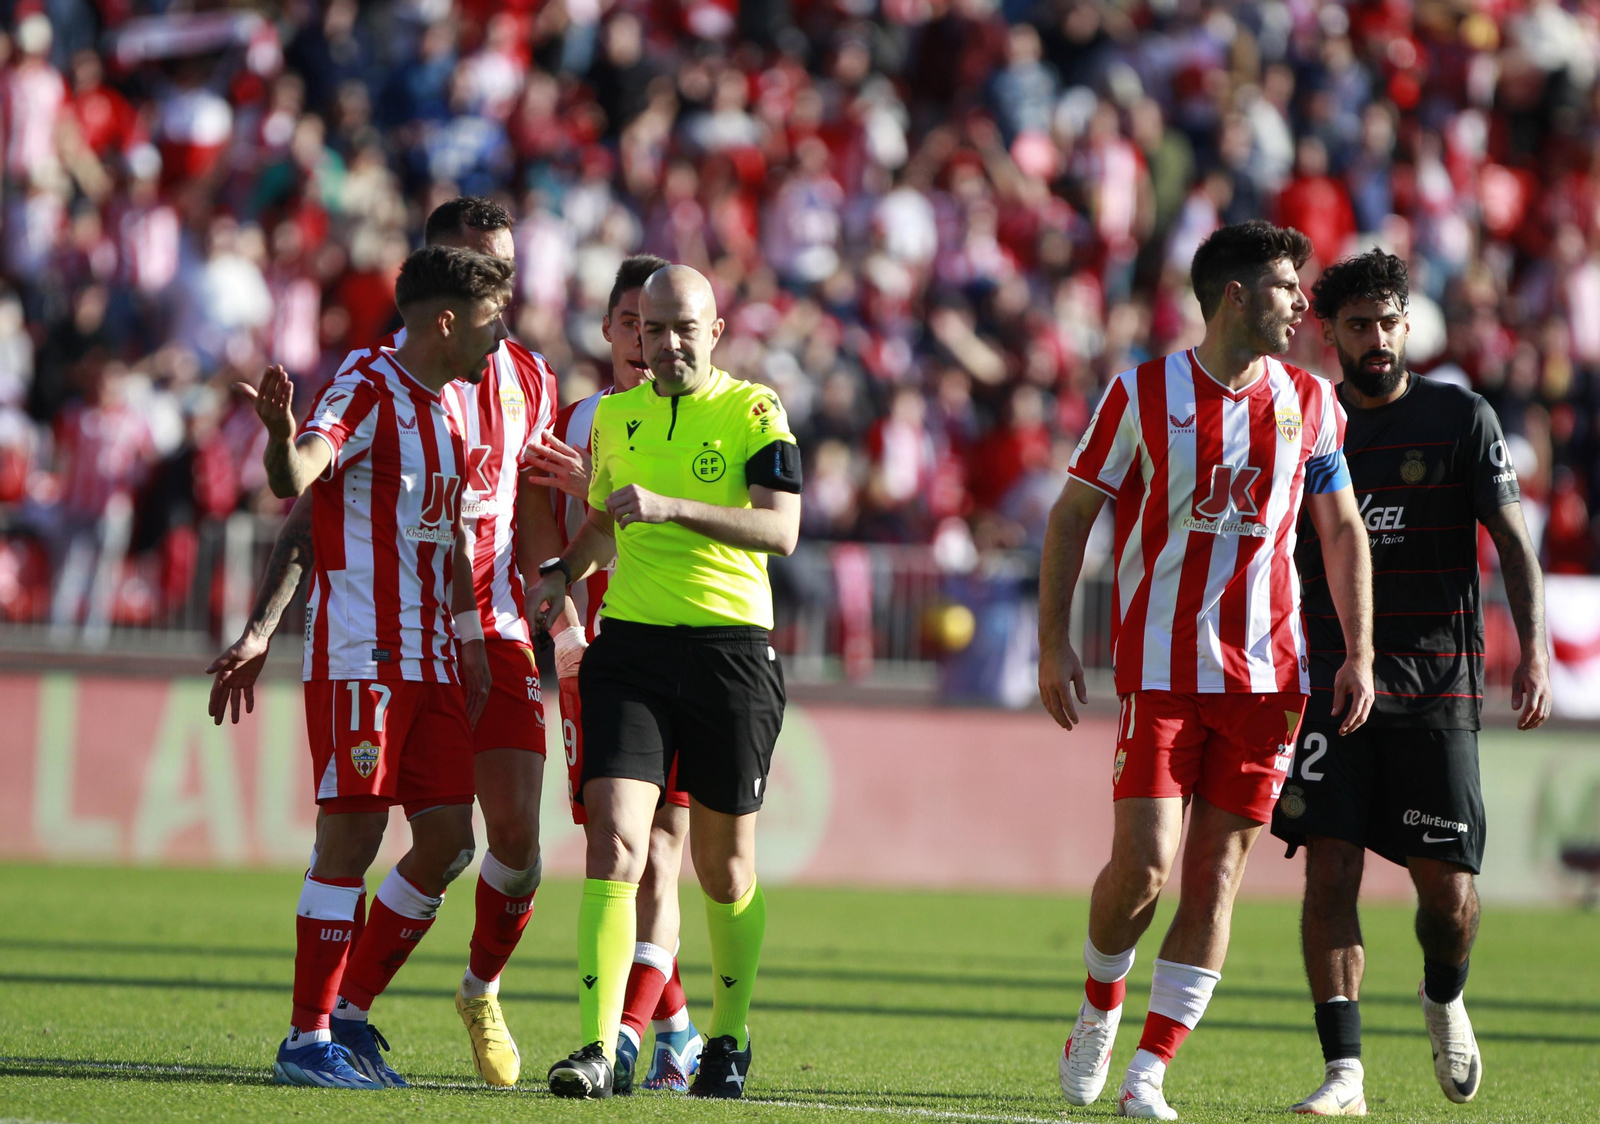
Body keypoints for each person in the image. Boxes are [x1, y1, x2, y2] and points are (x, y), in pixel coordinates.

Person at [208, 200, 563, 1089]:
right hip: (363, 653)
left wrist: (473, 639)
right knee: (351, 840)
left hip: (443, 654)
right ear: (446, 310)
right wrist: (282, 444)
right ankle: (309, 1038)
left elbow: (443, 537)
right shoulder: (366, 382)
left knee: (449, 840)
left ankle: (350, 1020)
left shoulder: (466, 402)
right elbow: (301, 482)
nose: (502, 316)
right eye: (486, 299)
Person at [1038, 220, 1376, 1120]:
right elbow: (1072, 515)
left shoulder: (1313, 400)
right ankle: (1100, 1004)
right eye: (1285, 285)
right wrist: (1052, 641)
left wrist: (1360, 649)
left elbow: (1340, 530)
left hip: (1271, 682)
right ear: (1235, 294)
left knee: (1216, 878)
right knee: (1144, 869)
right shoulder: (1142, 394)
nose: (1303, 301)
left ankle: (1150, 1071)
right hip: (1162, 670)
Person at [1272, 250, 1551, 1115]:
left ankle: (1443, 995)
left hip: (1439, 689)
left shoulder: (1460, 417)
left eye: (1389, 322)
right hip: (1332, 685)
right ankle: (1344, 1073)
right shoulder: (1307, 422)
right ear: (1330, 334)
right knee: (1329, 875)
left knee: (1449, 898)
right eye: (1359, 325)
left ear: (1407, 323)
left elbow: (1512, 543)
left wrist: (1534, 651)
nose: (1378, 339)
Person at [529, 264, 802, 1100]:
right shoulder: (615, 417)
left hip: (730, 654)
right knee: (614, 843)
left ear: (715, 332)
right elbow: (608, 525)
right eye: (654, 329)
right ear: (633, 336)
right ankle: (601, 1047)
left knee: (723, 870)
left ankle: (730, 1035)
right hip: (633, 652)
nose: (670, 343)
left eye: (687, 328)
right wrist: (560, 572)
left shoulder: (754, 411)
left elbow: (781, 530)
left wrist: (676, 507)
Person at [522, 252, 708, 1093]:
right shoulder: (579, 418)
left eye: (661, 324)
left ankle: (645, 1035)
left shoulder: (709, 413)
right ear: (608, 330)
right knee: (617, 849)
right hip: (594, 658)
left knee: (659, 853)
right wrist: (560, 625)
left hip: (680, 650)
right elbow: (541, 536)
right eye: (633, 323)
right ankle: (671, 1031)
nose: (646, 339)